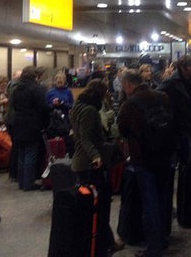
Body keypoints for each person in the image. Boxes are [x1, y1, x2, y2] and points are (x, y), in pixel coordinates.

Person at [117, 70, 174, 257]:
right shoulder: (163, 97)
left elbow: (122, 130)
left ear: (128, 85)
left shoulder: (130, 104)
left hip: (143, 159)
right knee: (163, 200)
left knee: (149, 203)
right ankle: (163, 237)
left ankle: (154, 247)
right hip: (165, 156)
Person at [70, 79, 124, 256]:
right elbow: (85, 138)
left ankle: (99, 241)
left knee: (89, 209)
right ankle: (104, 243)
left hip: (80, 164)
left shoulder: (77, 106)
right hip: (90, 164)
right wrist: (96, 156)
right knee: (100, 207)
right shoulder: (90, 110)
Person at [6, 66, 50, 191]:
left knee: (21, 154)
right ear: (34, 75)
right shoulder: (36, 89)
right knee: (31, 153)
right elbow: (42, 107)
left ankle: (21, 181)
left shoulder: (17, 88)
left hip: (18, 123)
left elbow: (12, 105)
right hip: (32, 124)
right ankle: (28, 182)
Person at [157, 55, 191, 165]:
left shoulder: (189, 82)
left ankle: (183, 182)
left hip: (185, 128)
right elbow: (157, 97)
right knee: (172, 164)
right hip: (173, 130)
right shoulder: (170, 82)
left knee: (186, 163)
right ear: (184, 68)